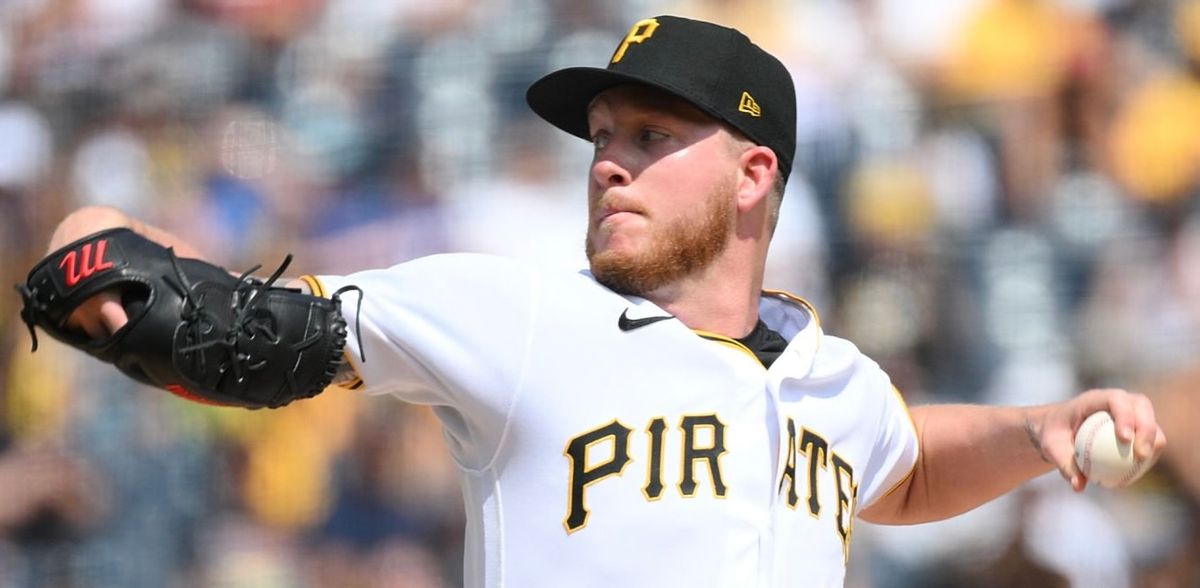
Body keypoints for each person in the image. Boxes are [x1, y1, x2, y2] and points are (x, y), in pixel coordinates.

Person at [34, 15, 1165, 587]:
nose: (608, 162)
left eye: (654, 138)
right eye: (604, 138)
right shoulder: (520, 318)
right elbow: (267, 339)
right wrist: (113, 265)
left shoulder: (836, 379)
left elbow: (907, 464)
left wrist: (1033, 431)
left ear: (754, 174)